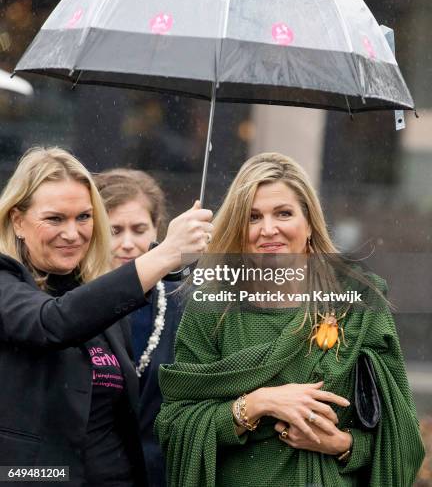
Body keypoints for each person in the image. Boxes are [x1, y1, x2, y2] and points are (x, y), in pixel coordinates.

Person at [155, 152, 425, 487]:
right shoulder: (212, 304)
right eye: (253, 217)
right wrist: (255, 404)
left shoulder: (357, 297)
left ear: (310, 222)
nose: (268, 230)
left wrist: (341, 445)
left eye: (283, 213)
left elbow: (401, 439)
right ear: (239, 228)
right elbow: (174, 426)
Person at [0, 146, 213, 487]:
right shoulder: (6, 282)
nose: (72, 233)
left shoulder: (100, 295)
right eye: (55, 218)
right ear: (17, 221)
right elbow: (53, 322)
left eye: (83, 217)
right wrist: (165, 255)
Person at [95, 168, 184, 487]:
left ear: (157, 229)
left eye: (139, 229)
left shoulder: (181, 304)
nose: (128, 243)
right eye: (114, 230)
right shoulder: (70, 306)